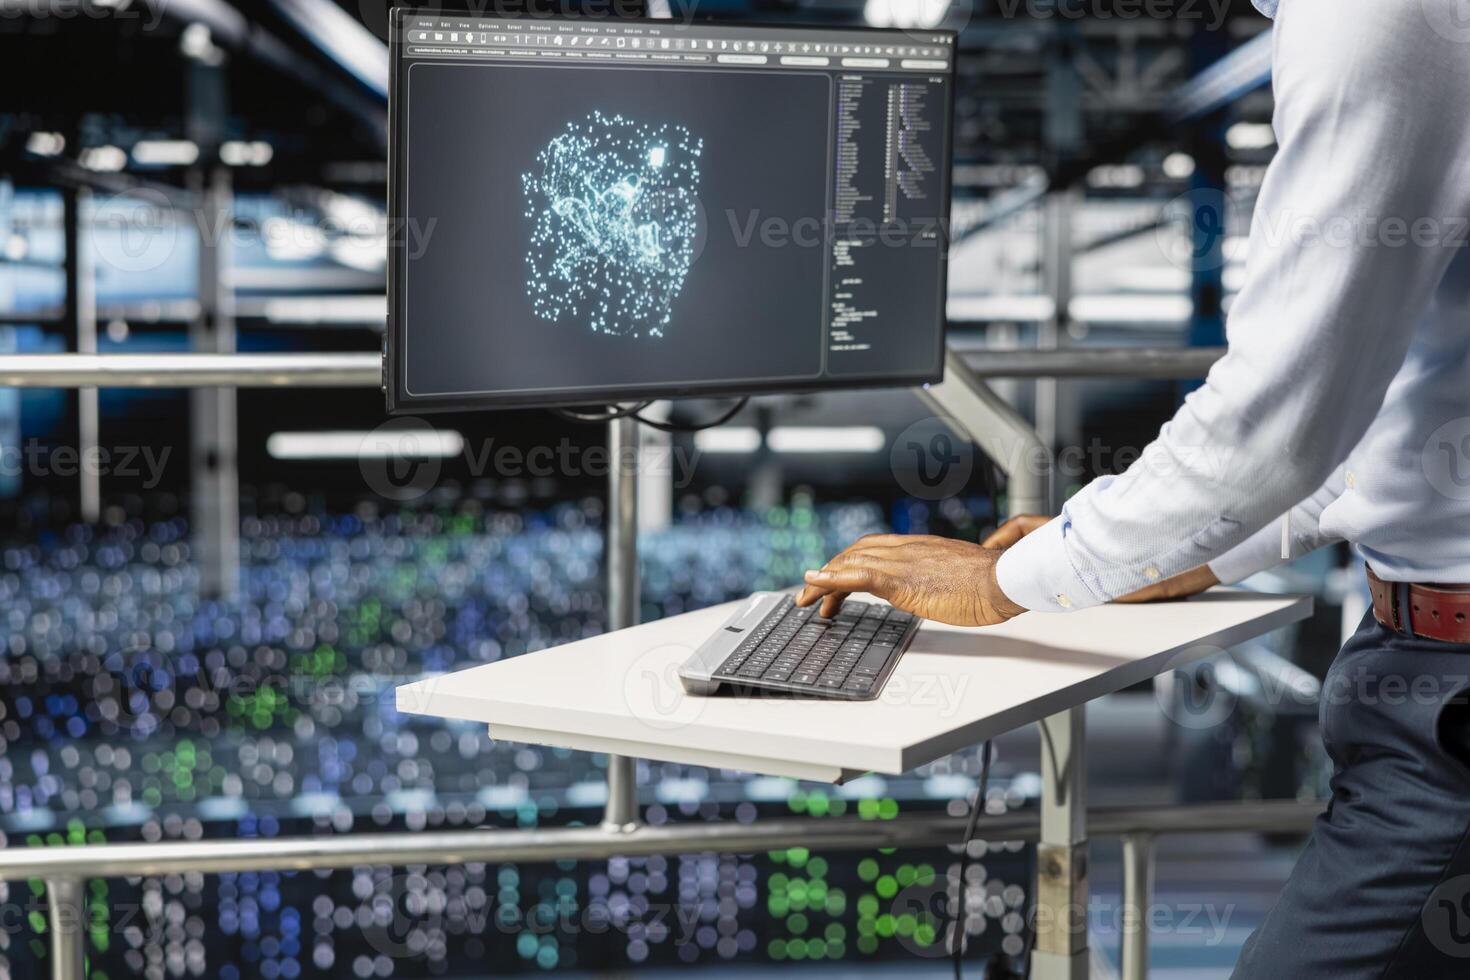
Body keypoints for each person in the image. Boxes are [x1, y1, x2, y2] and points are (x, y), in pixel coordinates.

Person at [797, 0, 1470, 975]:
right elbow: (1396, 404)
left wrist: (1009, 581)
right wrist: (1189, 551)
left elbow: (1281, 421)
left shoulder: (1369, 10)